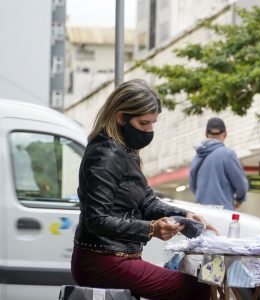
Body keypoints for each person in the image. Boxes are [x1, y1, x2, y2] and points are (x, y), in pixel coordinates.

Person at [71, 79, 215, 300]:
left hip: (120, 258)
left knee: (198, 283)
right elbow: (97, 219)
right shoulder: (107, 155)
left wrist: (184, 216)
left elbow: (148, 201)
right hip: (102, 261)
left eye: (153, 123)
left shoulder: (125, 152)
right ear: (121, 117)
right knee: (198, 288)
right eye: (143, 123)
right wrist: (150, 229)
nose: (149, 131)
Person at [189, 117, 249, 210]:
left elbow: (193, 186)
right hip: (223, 211)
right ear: (225, 134)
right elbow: (241, 184)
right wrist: (239, 199)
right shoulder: (228, 154)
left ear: (206, 134)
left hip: (201, 211)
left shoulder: (197, 156)